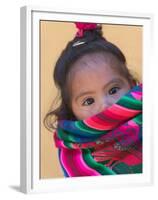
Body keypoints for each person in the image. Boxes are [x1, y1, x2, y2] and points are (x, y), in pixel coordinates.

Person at [44, 22, 142, 177]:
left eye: (113, 90)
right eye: (88, 101)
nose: (105, 105)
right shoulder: (74, 151)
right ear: (72, 111)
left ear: (132, 84)